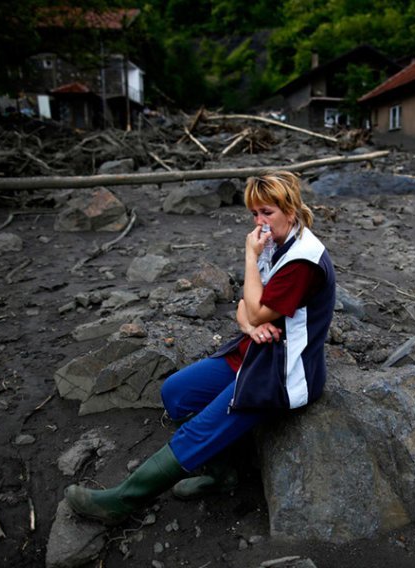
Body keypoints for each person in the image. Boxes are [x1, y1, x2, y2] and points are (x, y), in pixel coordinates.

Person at [65, 171, 336, 524]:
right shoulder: (279, 242)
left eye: (266, 212)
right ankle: (223, 474)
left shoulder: (303, 259)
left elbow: (253, 306)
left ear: (290, 208)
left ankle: (122, 501)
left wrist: (249, 260)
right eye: (254, 214)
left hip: (283, 371)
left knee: (200, 429)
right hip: (255, 350)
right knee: (176, 392)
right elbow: (244, 309)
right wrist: (247, 325)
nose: (259, 223)